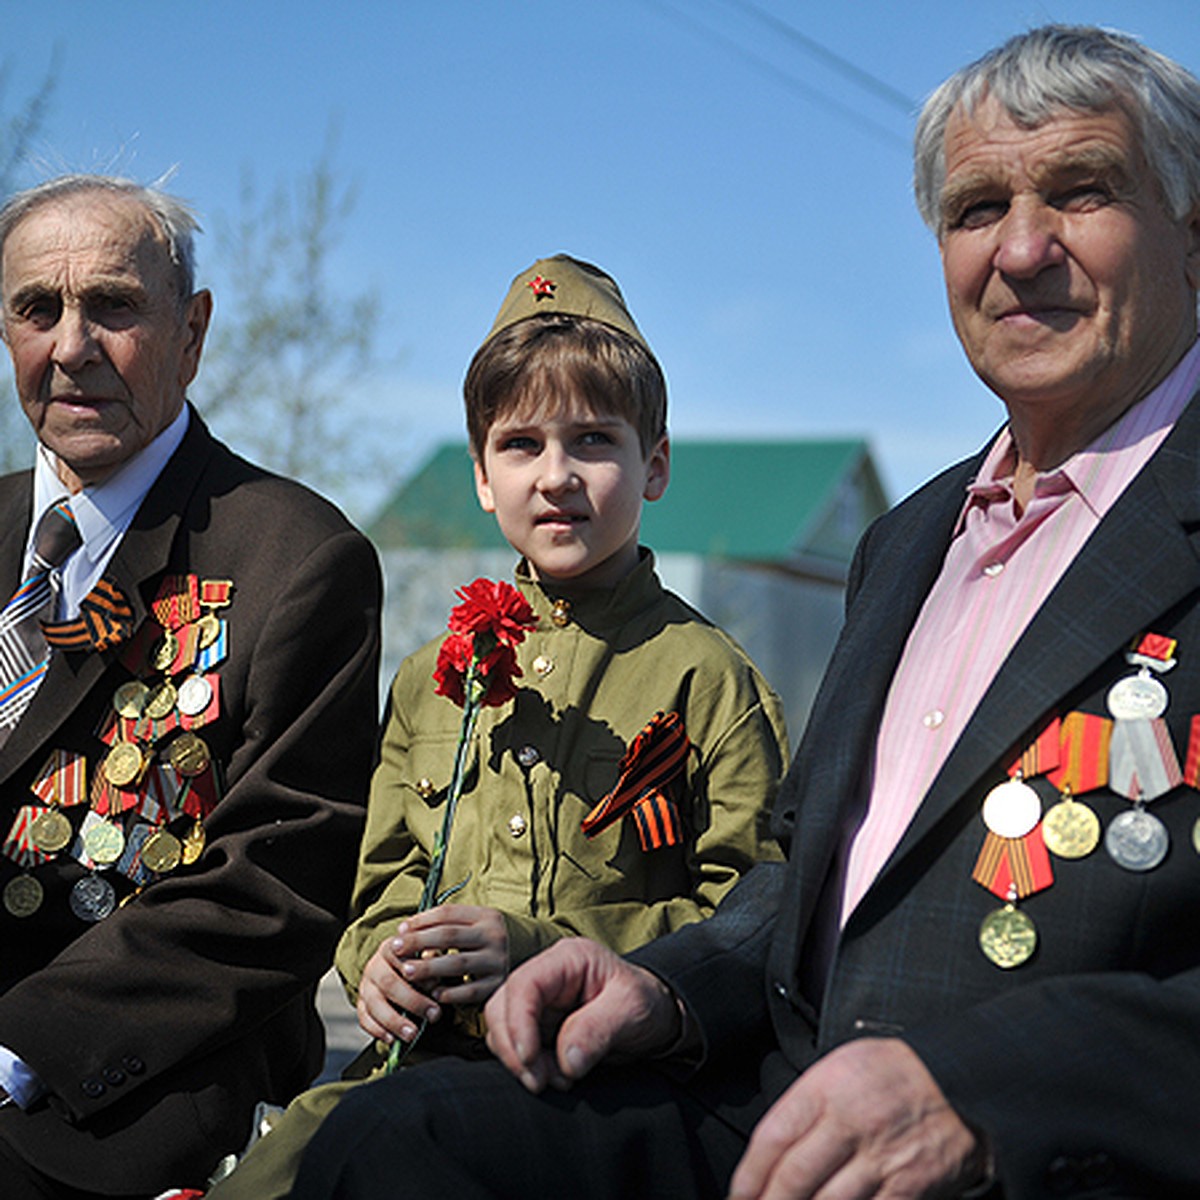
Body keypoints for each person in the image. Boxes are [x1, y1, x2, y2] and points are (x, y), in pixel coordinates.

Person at [295, 25, 1200, 1200]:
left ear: (1191, 232)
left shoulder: (707, 664)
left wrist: (991, 1091)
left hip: (1049, 1154)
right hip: (778, 1107)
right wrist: (666, 985)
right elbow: (796, 881)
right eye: (977, 209)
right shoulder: (913, 538)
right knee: (392, 1145)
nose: (1021, 248)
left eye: (1082, 192)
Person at [210, 254, 788, 1198]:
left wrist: (541, 946)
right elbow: (383, 882)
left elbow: (752, 925)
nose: (557, 476)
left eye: (595, 440)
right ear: (481, 476)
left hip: (598, 1082)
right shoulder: (431, 683)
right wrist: (381, 964)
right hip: (411, 1067)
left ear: (657, 464)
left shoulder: (708, 679)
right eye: (521, 445)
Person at [0, 175, 382, 1198]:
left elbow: (275, 883)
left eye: (113, 305)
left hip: (123, 1094)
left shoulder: (297, 556)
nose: (71, 345)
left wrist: (15, 1050)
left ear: (193, 329)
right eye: (38, 308)